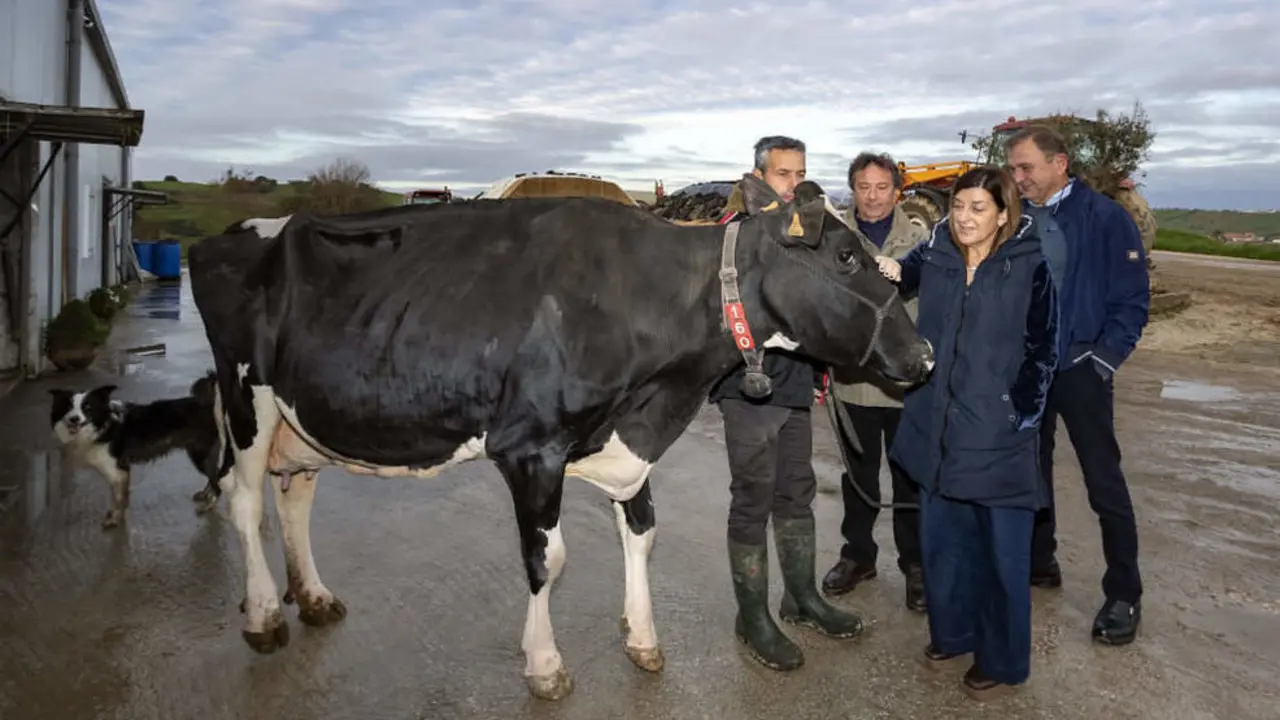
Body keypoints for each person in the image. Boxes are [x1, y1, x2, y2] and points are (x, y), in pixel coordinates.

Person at [878, 165, 1059, 700]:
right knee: (943, 545)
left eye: (978, 208)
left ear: (1003, 214)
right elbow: (894, 277)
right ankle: (952, 632)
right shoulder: (934, 253)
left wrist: (1019, 412)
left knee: (1002, 554)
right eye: (958, 207)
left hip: (995, 430)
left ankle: (1003, 661)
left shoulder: (1030, 266)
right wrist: (873, 264)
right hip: (935, 424)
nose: (964, 218)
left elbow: (1044, 347)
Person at [710, 135, 865, 672]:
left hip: (795, 382)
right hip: (747, 387)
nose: (794, 184)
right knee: (753, 498)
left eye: (800, 173)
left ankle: (800, 599)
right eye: (783, 174)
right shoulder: (735, 237)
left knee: (796, 493)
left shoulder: (803, 236)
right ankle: (751, 617)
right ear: (756, 177)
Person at [1005, 125, 1150, 646]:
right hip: (1030, 373)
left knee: (1102, 481)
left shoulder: (1105, 218)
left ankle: (1124, 593)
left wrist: (1102, 360)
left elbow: (1132, 300)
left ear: (1059, 163)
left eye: (1027, 168)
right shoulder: (1015, 218)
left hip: (1081, 369)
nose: (1018, 178)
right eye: (1014, 169)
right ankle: (1040, 563)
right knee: (1029, 471)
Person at [820, 152, 930, 612]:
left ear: (897, 191)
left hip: (906, 387)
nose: (872, 196)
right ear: (852, 190)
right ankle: (858, 556)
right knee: (858, 478)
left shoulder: (921, 239)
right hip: (854, 382)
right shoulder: (832, 239)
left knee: (910, 480)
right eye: (863, 187)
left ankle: (916, 565)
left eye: (882, 187)